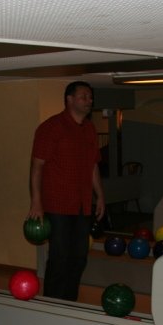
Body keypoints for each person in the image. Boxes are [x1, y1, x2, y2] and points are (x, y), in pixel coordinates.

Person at [28, 81, 105, 301]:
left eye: (90, 97)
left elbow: (93, 165)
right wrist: (36, 202)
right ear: (69, 99)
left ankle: (69, 302)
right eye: (84, 96)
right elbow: (37, 166)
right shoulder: (51, 127)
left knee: (79, 257)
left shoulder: (90, 129)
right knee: (59, 257)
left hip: (82, 204)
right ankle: (52, 304)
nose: (89, 101)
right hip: (57, 205)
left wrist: (100, 196)